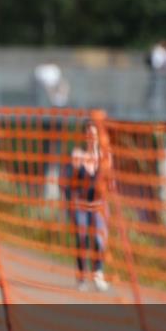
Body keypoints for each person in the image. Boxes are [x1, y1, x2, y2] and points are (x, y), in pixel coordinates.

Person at [64, 120, 112, 292]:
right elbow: (69, 182)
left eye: (94, 134)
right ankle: (81, 276)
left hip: (98, 204)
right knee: (82, 238)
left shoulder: (106, 156)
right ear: (85, 136)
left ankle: (98, 274)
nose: (92, 137)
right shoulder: (78, 155)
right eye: (89, 134)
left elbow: (110, 183)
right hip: (81, 204)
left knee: (100, 240)